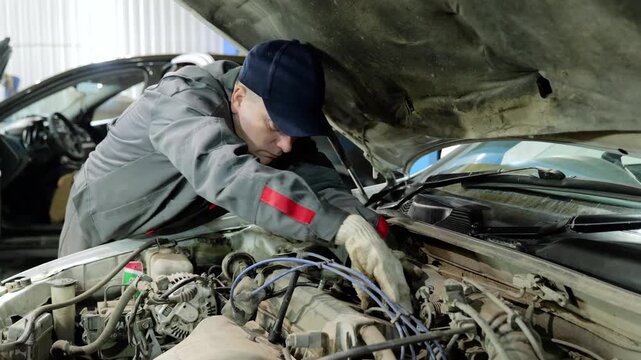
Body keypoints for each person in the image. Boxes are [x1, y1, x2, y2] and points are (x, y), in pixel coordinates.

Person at [58, 39, 411, 309]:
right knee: (81, 322)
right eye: (276, 127)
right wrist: (338, 227)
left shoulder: (272, 129)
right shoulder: (183, 102)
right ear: (238, 97)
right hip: (100, 231)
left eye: (296, 131)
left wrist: (372, 233)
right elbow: (228, 174)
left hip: (167, 238)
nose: (287, 145)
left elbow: (321, 184)